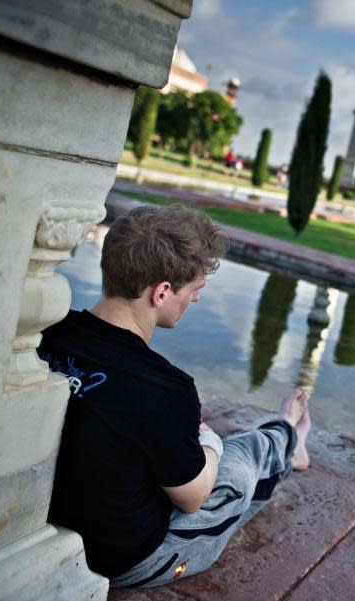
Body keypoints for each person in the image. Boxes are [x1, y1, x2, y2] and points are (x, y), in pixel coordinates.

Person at [37, 205, 312, 588]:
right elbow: (194, 498)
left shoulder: (47, 332)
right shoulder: (164, 388)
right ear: (162, 292)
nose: (195, 300)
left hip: (39, 527)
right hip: (122, 559)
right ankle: (287, 438)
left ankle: (280, 438)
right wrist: (211, 442)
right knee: (237, 465)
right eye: (195, 290)